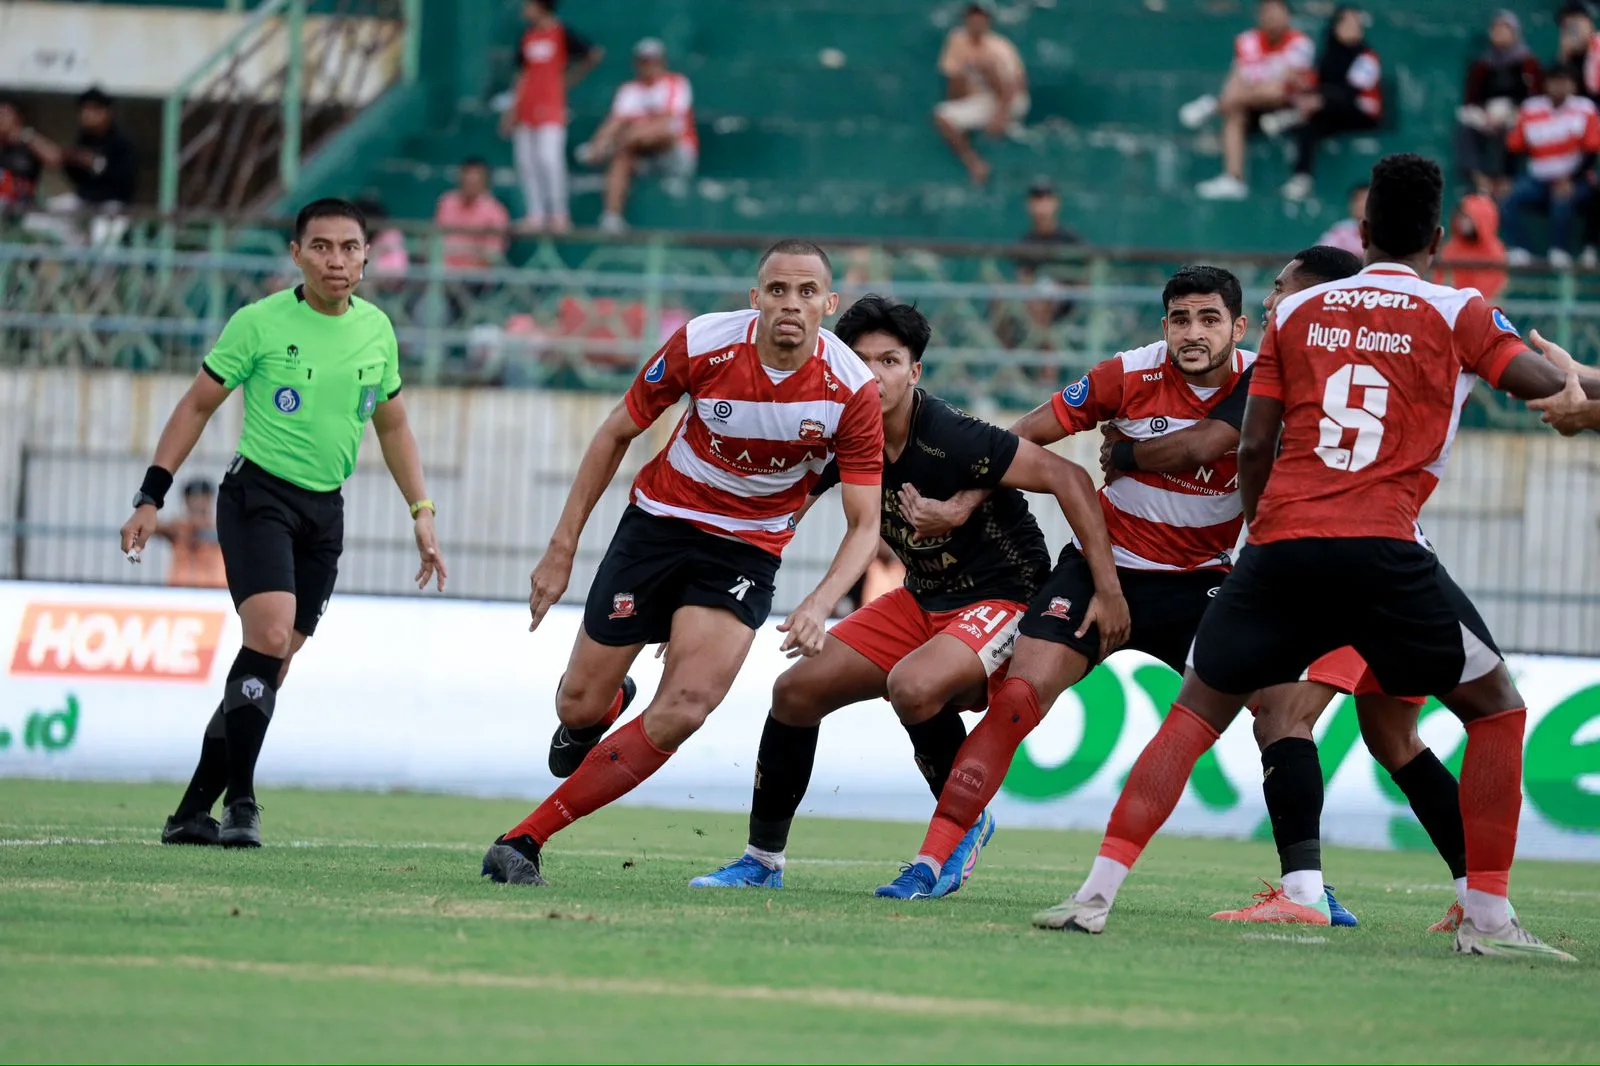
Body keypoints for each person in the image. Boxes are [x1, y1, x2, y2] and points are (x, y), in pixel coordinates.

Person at [1032, 153, 1599, 960]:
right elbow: (1549, 389)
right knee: (1496, 708)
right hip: (1385, 547)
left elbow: (1254, 442)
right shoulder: (1459, 311)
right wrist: (1576, 387)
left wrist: (1262, 531)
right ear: (1439, 237)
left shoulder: (1296, 315)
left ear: (1362, 232)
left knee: (1196, 712)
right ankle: (1488, 919)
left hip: (1282, 545)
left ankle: (1094, 895)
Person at [480, 239, 886, 888]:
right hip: (659, 526)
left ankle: (526, 838)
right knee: (579, 707)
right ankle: (604, 707)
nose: (791, 304)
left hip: (746, 550)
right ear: (755, 298)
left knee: (689, 704)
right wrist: (562, 549)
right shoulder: (702, 344)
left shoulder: (851, 390)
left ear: (829, 305)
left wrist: (818, 602)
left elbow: (867, 524)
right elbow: (617, 430)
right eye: (777, 290)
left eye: (807, 293)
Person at [689, 295, 1126, 894]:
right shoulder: (841, 431)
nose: (873, 374)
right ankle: (761, 862)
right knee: (794, 693)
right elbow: (775, 509)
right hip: (923, 600)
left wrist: (1107, 589)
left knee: (913, 686)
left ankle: (962, 827)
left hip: (1003, 596)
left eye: (890, 360)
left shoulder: (950, 433)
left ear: (914, 372)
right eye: (860, 360)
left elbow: (1071, 478)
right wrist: (706, 592)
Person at [870, 266, 1254, 900]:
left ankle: (1305, 884)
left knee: (1279, 717)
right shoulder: (1128, 374)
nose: (1193, 333)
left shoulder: (1264, 386)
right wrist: (966, 501)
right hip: (1102, 567)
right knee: (1018, 698)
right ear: (1163, 326)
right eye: (1181, 319)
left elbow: (1211, 448)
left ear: (1238, 328)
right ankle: (934, 860)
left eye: (1209, 319)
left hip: (1201, 582)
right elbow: (1016, 437)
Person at [122, 198, 447, 849]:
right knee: (268, 637)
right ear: (296, 253)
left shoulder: (377, 331)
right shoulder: (259, 323)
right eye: (322, 247)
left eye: (350, 247)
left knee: (271, 667)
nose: (337, 260)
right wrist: (151, 494)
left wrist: (421, 511)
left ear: (367, 255)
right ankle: (241, 804)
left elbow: (393, 425)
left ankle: (190, 812)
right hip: (257, 497)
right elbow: (196, 406)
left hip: (325, 512)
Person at [1183, 0, 1314, 201]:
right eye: (1267, 13)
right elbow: (1235, 78)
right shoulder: (1247, 41)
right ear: (1258, 17)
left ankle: (1212, 105)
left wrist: (1236, 95)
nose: (1272, 18)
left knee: (1274, 89)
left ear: (1288, 16)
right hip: (1252, 106)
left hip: (1287, 109)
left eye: (1277, 13)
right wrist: (1233, 96)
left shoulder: (1300, 43)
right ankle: (1234, 178)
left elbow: (1285, 86)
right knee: (1234, 113)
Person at [500, 0, 602, 234]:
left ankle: (559, 213)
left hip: (551, 108)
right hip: (526, 108)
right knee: (526, 162)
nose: (524, 10)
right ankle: (534, 214)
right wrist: (511, 110)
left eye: (528, 5)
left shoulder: (562, 33)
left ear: (540, 6)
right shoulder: (526, 37)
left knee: (549, 159)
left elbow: (593, 55)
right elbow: (522, 74)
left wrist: (566, 82)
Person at [576, 38, 696, 234]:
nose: (648, 66)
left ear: (662, 61)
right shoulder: (629, 90)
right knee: (622, 156)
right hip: (643, 156)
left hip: (675, 156)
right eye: (644, 61)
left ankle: (608, 149)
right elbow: (613, 122)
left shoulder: (676, 83)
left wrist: (613, 142)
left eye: (653, 60)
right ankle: (611, 217)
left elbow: (666, 125)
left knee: (657, 132)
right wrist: (597, 142)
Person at [1502, 63, 1600, 267]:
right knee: (1508, 196)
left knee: (1562, 197)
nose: (1559, 87)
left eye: (1565, 82)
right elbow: (1512, 148)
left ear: (1572, 85)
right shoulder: (1531, 109)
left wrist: (1571, 180)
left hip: (1576, 180)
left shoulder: (1585, 108)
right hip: (1538, 181)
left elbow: (1591, 151)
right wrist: (1506, 179)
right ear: (1546, 85)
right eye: (1554, 82)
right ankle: (1520, 250)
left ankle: (1559, 252)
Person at [1281, 6, 1381, 202]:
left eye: (1357, 24)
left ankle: (1290, 118)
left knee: (1322, 102)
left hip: (1361, 112)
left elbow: (1351, 93)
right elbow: (1317, 82)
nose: (1355, 28)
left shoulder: (1367, 57)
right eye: (1349, 23)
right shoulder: (1328, 55)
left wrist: (1319, 98)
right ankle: (1301, 177)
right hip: (1329, 112)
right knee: (1309, 124)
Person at [933, 2, 1029, 187]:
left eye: (981, 19)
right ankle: (973, 162)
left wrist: (999, 117)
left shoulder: (999, 48)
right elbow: (953, 79)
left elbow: (1014, 85)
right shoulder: (957, 40)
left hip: (1011, 99)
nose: (976, 23)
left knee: (989, 69)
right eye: (972, 18)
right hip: (982, 99)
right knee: (942, 116)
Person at [1457, 11, 1542, 198]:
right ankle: (1480, 178)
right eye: (1496, 29)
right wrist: (1484, 115)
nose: (1500, 34)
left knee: (1510, 128)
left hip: (1516, 110)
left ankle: (1504, 179)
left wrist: (1515, 110)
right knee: (1466, 125)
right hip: (1487, 112)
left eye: (1505, 29)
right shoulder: (1482, 62)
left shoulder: (1527, 60)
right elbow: (1471, 98)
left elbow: (1535, 95)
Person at [433, 158, 510, 271]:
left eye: (476, 178)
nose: (471, 182)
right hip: (441, 271)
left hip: (475, 278)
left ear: (485, 181)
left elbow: (493, 253)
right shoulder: (447, 202)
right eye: (467, 176)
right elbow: (436, 239)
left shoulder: (495, 211)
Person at [155, 478, 227, 590]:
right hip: (180, 590)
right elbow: (153, 527)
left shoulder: (220, 527)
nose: (198, 503)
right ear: (186, 501)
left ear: (210, 499)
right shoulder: (180, 527)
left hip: (215, 591)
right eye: (194, 498)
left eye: (203, 497)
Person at [1434, 193, 1508, 302]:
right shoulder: (1451, 247)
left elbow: (1494, 291)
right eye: (1461, 216)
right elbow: (1441, 283)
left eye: (1468, 217)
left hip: (1483, 311)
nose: (1462, 221)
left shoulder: (1495, 251)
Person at [0, 99, 53, 214]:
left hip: (25, 206)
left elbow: (53, 157)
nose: (1, 119)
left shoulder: (28, 141)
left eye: (4, 115)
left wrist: (25, 135)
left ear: (17, 118)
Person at [1557, 1, 1600, 103]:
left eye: (1576, 24)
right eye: (1566, 26)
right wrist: (1563, 60)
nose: (1572, 31)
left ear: (1590, 24)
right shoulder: (1567, 57)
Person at [1317, 183, 1367, 255]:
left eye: (1365, 199)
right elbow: (1320, 253)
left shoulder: (1385, 232)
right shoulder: (1341, 231)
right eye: (1357, 200)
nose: (1361, 204)